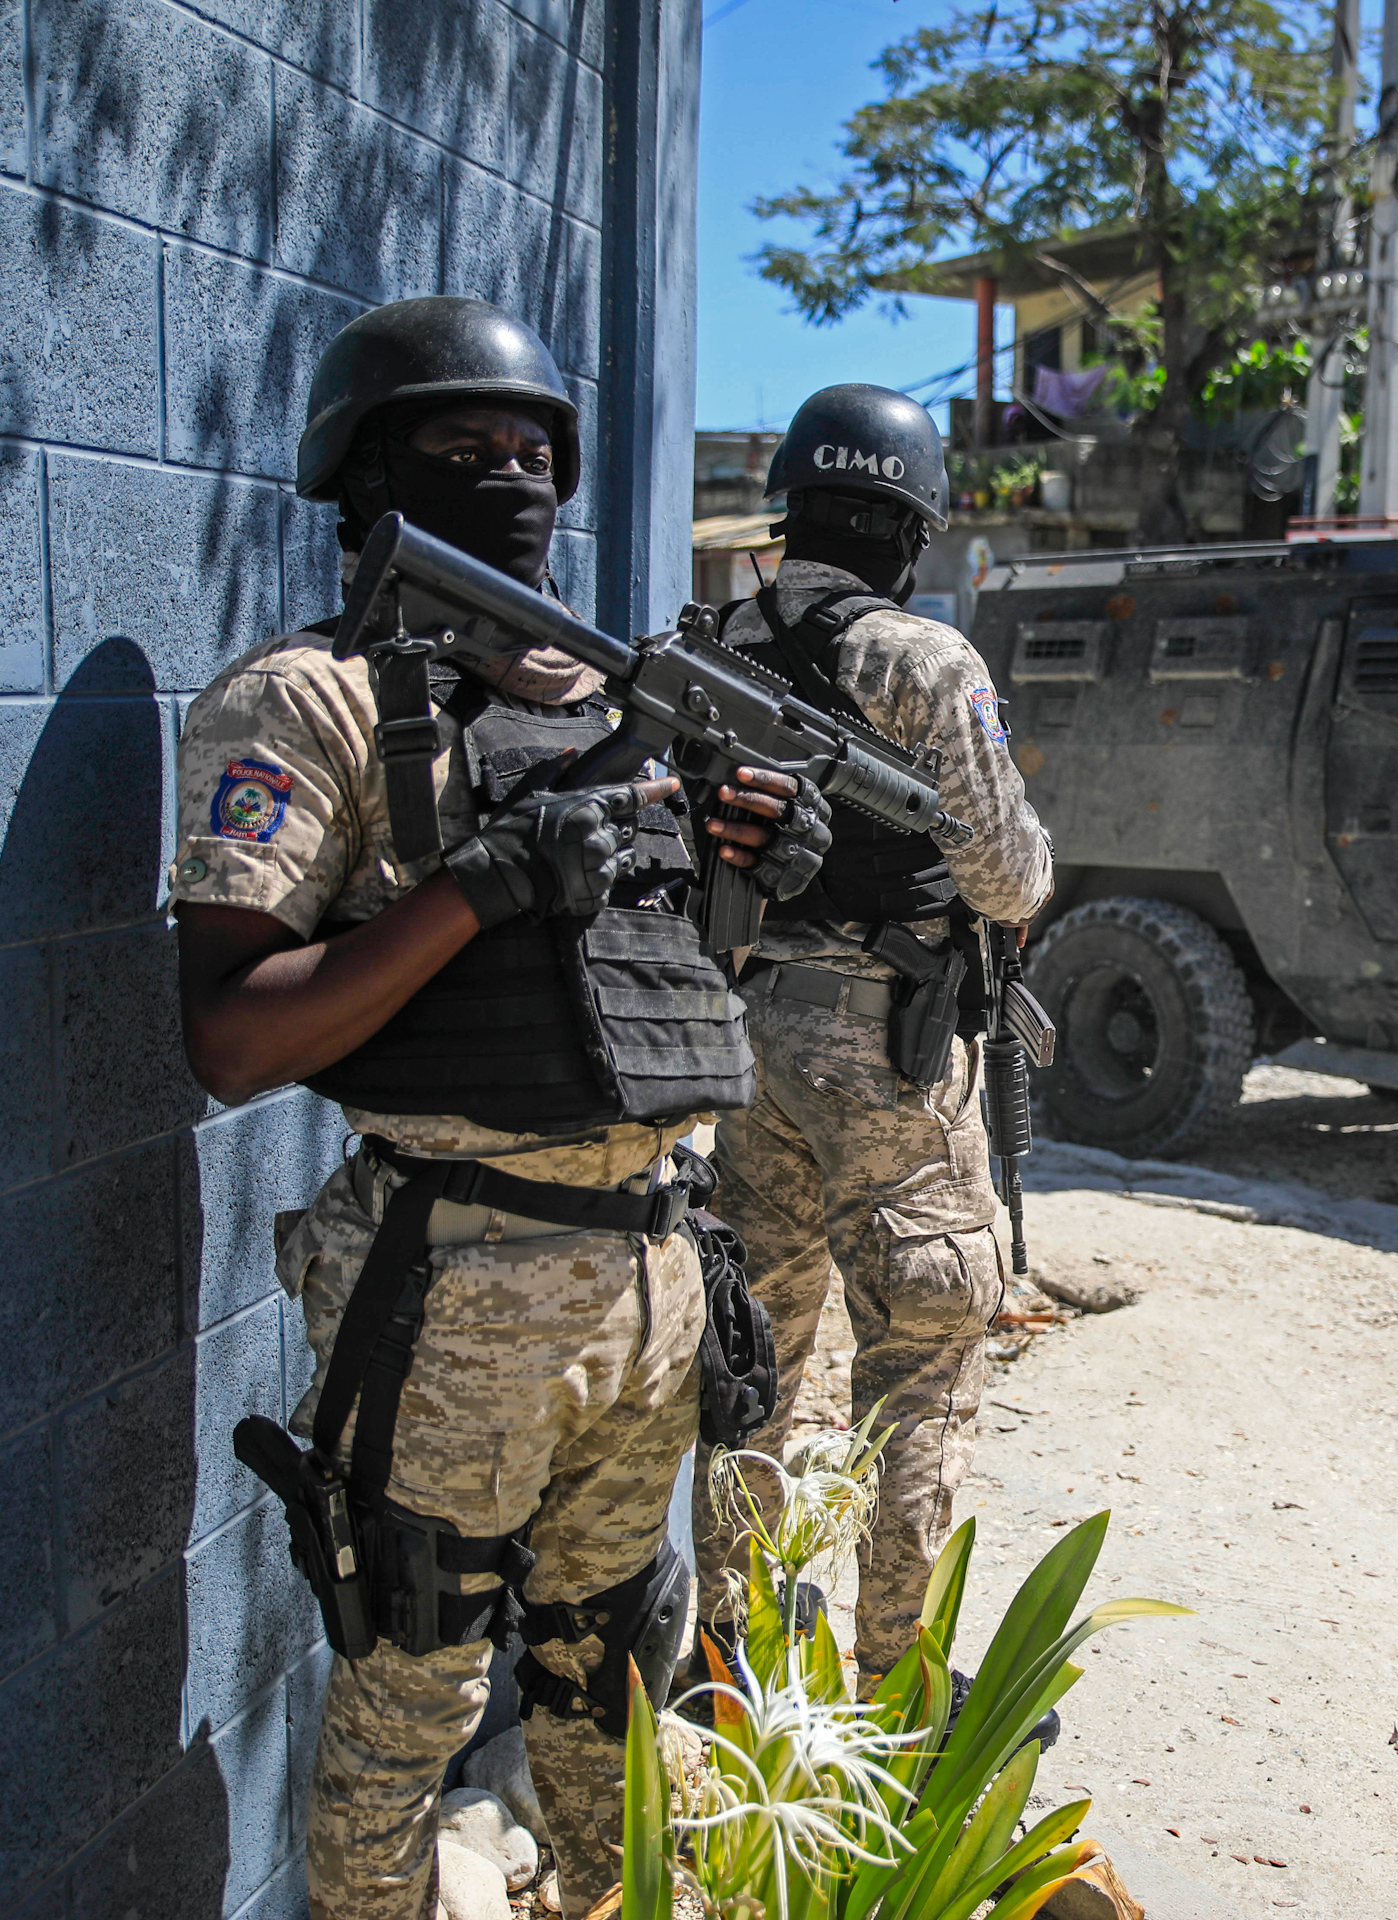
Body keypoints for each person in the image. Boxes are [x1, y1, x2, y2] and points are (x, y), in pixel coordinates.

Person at [170, 295, 808, 1920]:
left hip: (659, 1268)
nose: (512, 475)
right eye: (464, 449)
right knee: (415, 1692)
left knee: (612, 1673)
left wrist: (753, 877)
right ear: (366, 476)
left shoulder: (600, 709)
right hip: (461, 1290)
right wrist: (483, 885)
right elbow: (235, 1042)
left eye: (534, 452)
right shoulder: (300, 704)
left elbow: (650, 1008)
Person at [686, 384, 1054, 1705]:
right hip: (882, 1048)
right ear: (916, 525)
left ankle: (729, 1663)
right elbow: (1006, 877)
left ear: (793, 508)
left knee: (754, 1355)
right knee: (921, 1351)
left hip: (734, 1033)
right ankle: (897, 1687)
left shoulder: (712, 639)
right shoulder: (928, 663)